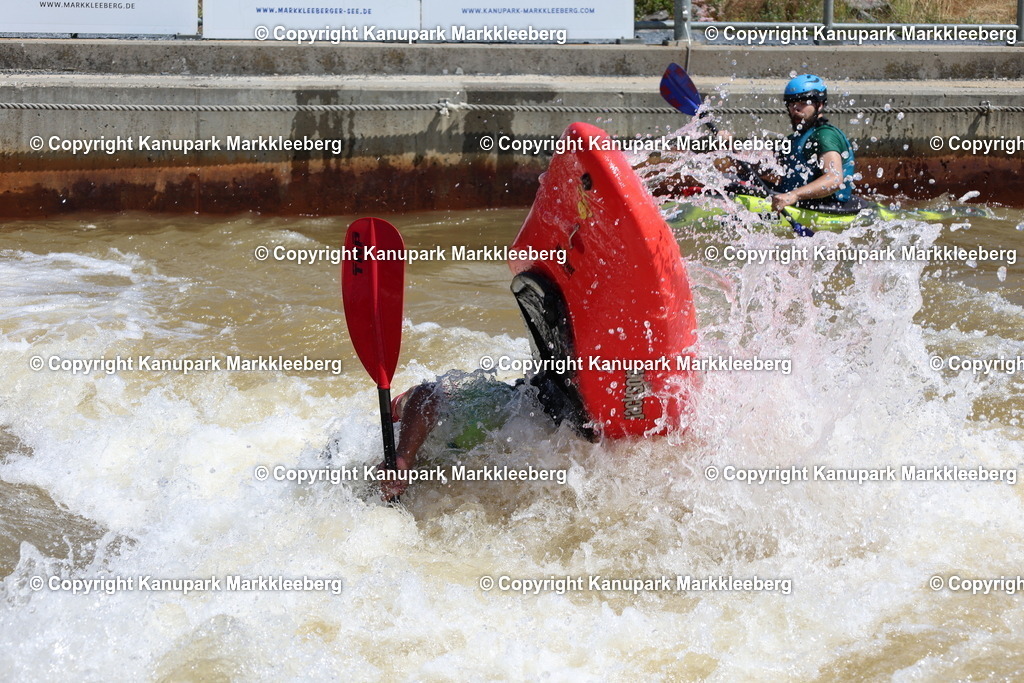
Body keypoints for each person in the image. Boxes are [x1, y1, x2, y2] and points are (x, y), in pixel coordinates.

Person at [768, 74, 858, 213]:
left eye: (803, 103)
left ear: (819, 105)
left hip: (826, 208)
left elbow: (834, 179)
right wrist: (734, 150)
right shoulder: (793, 139)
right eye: (791, 103)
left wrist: (794, 195)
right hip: (799, 202)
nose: (795, 109)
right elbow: (762, 164)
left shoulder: (825, 135)